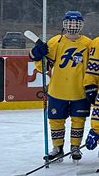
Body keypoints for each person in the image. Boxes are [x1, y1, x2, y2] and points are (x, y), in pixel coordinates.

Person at [30, 10, 93, 159]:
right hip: (58, 90)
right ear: (64, 24)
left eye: (76, 22)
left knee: (78, 120)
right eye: (70, 22)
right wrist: (36, 56)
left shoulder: (88, 43)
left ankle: (75, 147)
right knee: (56, 120)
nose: (73, 26)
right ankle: (57, 148)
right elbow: (43, 67)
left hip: (80, 91)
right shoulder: (55, 41)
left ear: (81, 24)